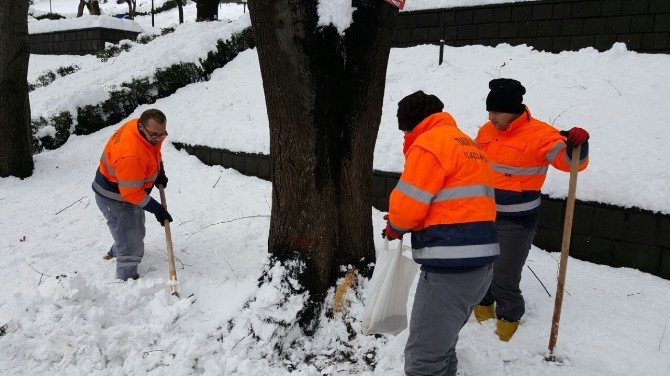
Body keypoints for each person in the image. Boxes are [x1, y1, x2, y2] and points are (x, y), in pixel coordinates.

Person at [383, 91, 499, 376]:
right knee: (443, 348)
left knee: (424, 359)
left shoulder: (429, 145)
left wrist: (395, 226)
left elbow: (407, 207)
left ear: (412, 124)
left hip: (450, 270)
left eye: (405, 129)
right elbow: (456, 202)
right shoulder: (466, 143)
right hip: (479, 267)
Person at [473, 78, 590, 341]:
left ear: (514, 110)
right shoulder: (486, 131)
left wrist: (578, 145)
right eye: (489, 111)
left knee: (504, 273)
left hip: (517, 220)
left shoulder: (541, 135)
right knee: (480, 264)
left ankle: (509, 316)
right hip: (483, 213)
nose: (491, 117)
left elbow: (571, 164)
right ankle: (482, 305)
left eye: (497, 112)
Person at [92, 109, 173, 281]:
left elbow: (153, 151)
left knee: (136, 230)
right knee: (132, 246)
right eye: (155, 135)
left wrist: (159, 171)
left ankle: (118, 247)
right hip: (114, 197)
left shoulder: (143, 130)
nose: (159, 139)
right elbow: (131, 192)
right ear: (142, 127)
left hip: (129, 189)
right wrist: (157, 209)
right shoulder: (131, 154)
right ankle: (126, 280)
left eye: (162, 134)